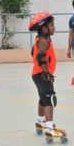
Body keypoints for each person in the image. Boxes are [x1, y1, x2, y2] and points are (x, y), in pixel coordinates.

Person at [29, 11, 64, 139]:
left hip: (36, 74)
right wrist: (46, 72)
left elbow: (33, 53)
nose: (54, 27)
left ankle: (40, 121)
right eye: (52, 25)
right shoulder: (44, 40)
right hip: (42, 74)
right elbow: (40, 56)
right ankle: (49, 129)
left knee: (43, 99)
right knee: (49, 99)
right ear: (44, 28)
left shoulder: (40, 39)